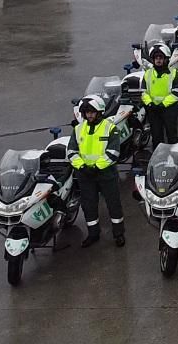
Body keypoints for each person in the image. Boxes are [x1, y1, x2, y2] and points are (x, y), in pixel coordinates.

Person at [69, 96, 125, 247]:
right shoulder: (78, 129)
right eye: (87, 112)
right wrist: (82, 167)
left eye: (92, 112)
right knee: (88, 205)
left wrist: (96, 167)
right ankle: (93, 234)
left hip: (106, 174)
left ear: (100, 112)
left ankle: (118, 234)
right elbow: (72, 152)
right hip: (85, 175)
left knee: (113, 204)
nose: (89, 115)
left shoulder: (110, 128)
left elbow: (113, 153)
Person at [141, 42, 178, 147]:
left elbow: (176, 93)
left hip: (169, 109)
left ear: (165, 59)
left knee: (172, 135)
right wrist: (150, 104)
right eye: (156, 58)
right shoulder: (148, 74)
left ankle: (173, 156)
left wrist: (163, 104)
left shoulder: (173, 73)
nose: (158, 60)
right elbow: (143, 92)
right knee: (156, 136)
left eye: (161, 57)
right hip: (153, 110)